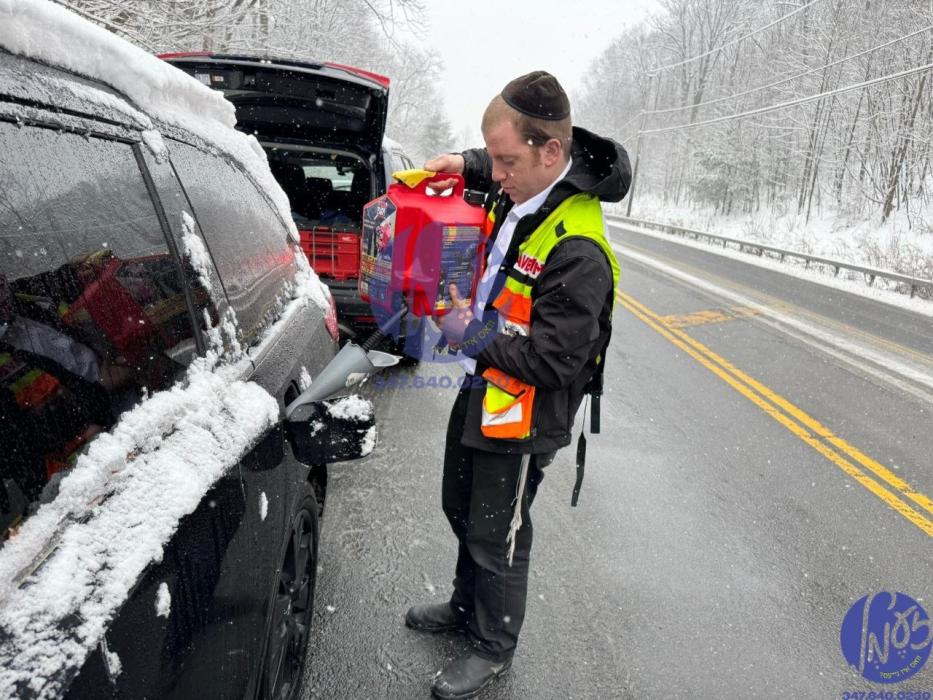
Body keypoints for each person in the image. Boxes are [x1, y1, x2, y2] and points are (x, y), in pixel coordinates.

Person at [404, 71, 631, 699]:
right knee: (460, 501)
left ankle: (493, 644)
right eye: (493, 158)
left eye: (505, 162)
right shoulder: (527, 186)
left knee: (496, 531)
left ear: (550, 152)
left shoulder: (578, 249)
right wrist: (463, 161)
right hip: (489, 387)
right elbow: (495, 158)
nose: (494, 174)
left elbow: (558, 362)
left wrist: (468, 333)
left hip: (528, 410)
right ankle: (462, 606)